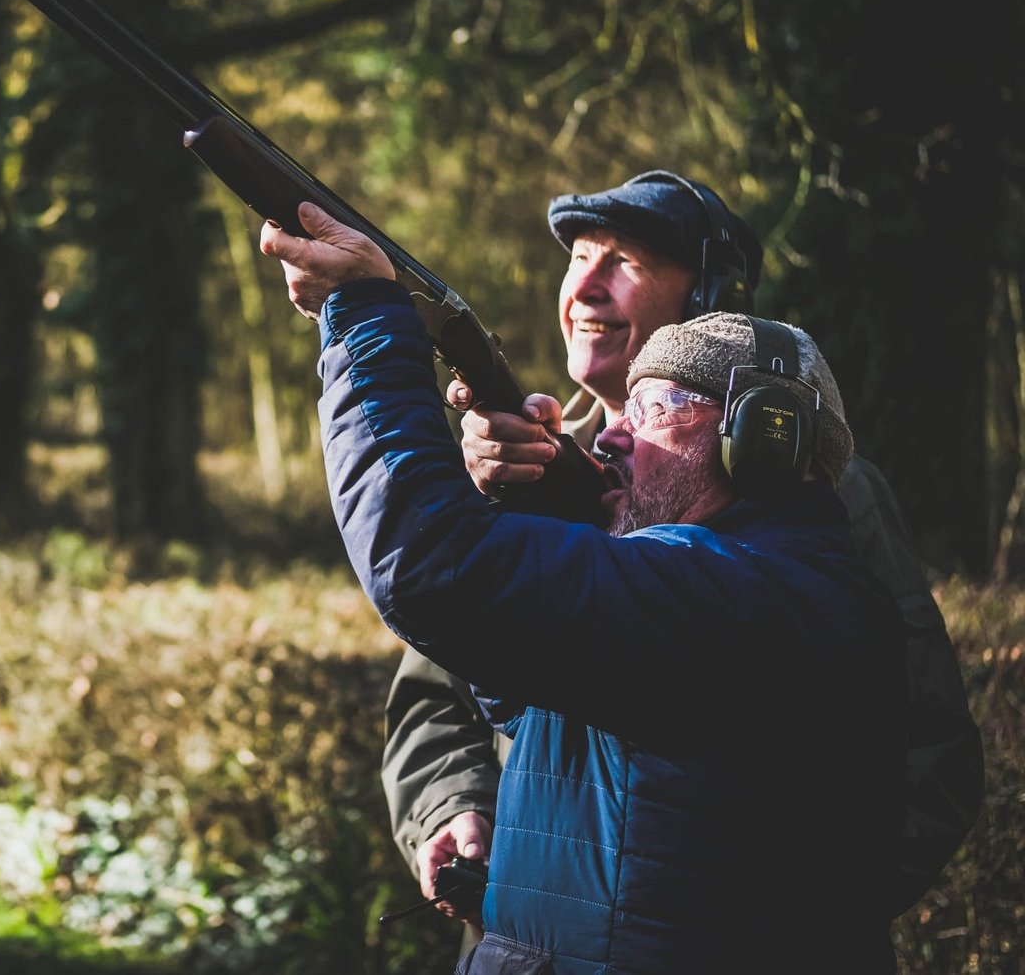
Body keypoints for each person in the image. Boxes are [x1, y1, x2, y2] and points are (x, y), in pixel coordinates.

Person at [263, 203, 906, 970]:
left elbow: (429, 565)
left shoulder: (750, 591)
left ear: (761, 442)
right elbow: (516, 689)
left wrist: (367, 316)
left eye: (659, 408)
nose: (614, 435)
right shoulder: (720, 580)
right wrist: (536, 505)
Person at [380, 172, 982, 933]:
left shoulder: (822, 493)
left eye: (626, 262)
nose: (586, 285)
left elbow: (931, 756)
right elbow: (438, 685)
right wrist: (451, 806)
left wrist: (763, 927)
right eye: (580, 258)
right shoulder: (517, 466)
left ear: (712, 301)